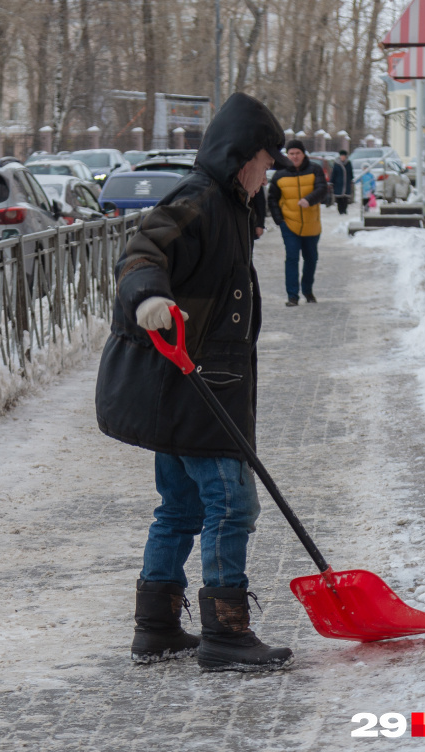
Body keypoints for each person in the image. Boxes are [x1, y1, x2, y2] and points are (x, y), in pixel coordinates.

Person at [95, 92, 294, 673]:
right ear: (241, 157)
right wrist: (150, 296)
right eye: (265, 161)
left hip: (199, 381)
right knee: (232, 505)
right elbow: (141, 250)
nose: (269, 173)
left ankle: (155, 628)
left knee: (180, 507)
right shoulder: (199, 198)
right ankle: (227, 634)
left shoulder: (233, 205)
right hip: (193, 383)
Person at [268, 140, 327, 306]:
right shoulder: (280, 174)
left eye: (297, 153)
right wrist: (280, 221)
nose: (294, 156)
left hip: (311, 224)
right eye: (291, 153)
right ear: (287, 155)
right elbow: (272, 199)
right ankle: (292, 296)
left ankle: (308, 290)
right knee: (292, 258)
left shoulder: (315, 170)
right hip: (289, 224)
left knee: (311, 258)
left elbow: (322, 190)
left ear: (303, 154)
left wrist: (309, 199)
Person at [331, 149, 354, 215]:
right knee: (339, 198)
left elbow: (350, 173)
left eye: (344, 156)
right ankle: (340, 210)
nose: (342, 157)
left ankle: (344, 210)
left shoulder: (348, 164)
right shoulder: (336, 164)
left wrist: (351, 180)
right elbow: (334, 174)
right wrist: (332, 181)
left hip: (346, 183)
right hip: (338, 183)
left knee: (345, 198)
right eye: (342, 156)